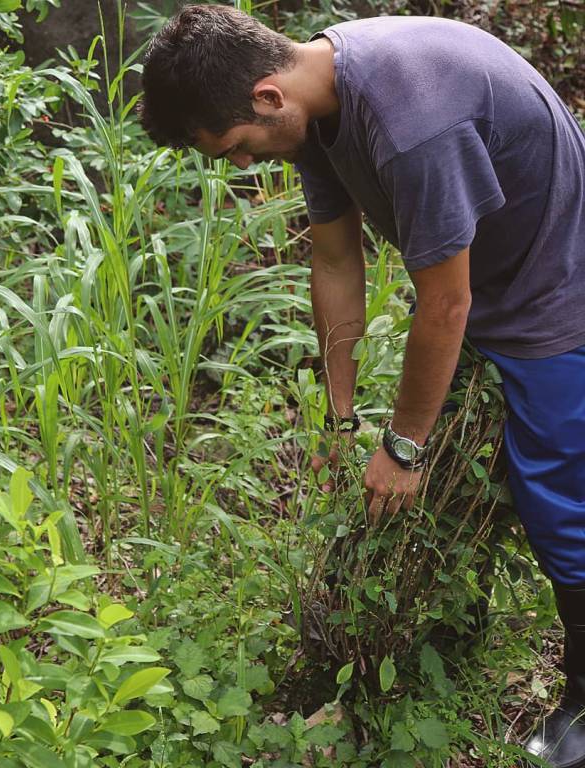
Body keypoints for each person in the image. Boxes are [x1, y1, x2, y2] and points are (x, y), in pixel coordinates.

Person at [139, 4, 585, 765]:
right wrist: (342, 420)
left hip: (556, 295)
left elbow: (444, 303)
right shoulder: (318, 107)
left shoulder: (412, 120)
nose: (244, 166)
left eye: (237, 148)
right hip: (493, 284)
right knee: (489, 486)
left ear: (267, 97)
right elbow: (337, 264)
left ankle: (582, 705)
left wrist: (404, 447)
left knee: (563, 509)